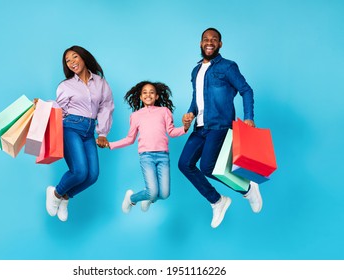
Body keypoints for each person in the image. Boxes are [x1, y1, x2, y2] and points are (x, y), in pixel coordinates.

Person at [178, 27, 262, 228]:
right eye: (206, 39)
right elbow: (196, 99)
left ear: (220, 44)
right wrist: (189, 114)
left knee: (208, 167)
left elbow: (246, 90)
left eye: (214, 39)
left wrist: (249, 117)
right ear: (200, 43)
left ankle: (248, 188)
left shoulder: (227, 67)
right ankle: (217, 200)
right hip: (200, 127)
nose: (210, 42)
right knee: (184, 164)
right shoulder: (196, 70)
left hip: (220, 125)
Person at [45, 45, 114, 222]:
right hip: (71, 128)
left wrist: (102, 133)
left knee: (92, 176)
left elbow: (106, 106)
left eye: (74, 57)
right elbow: (59, 108)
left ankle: (65, 198)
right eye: (67, 61)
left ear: (83, 57)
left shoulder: (100, 82)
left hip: (89, 131)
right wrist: (43, 105)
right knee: (80, 171)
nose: (71, 62)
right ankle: (55, 193)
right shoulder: (66, 86)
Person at [105, 81, 190, 213]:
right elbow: (130, 139)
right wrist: (110, 144)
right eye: (144, 92)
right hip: (146, 156)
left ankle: (147, 198)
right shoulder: (135, 115)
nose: (148, 95)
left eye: (151, 92)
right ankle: (131, 198)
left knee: (164, 194)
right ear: (140, 96)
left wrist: (185, 128)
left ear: (156, 96)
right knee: (152, 192)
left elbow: (172, 132)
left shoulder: (164, 111)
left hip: (163, 156)